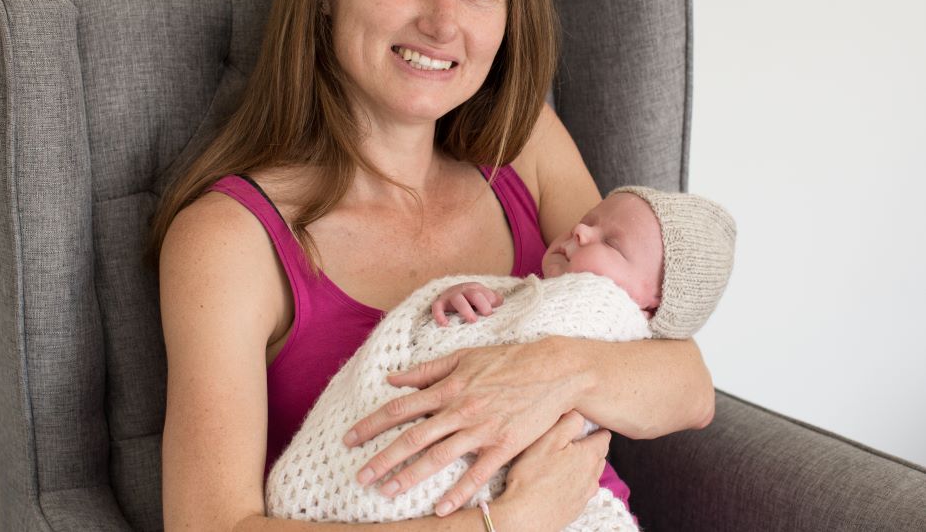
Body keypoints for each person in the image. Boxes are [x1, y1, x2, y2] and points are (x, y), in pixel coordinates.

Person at [153, 0, 716, 531]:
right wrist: (509, 522)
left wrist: (553, 371)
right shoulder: (230, 240)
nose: (443, 23)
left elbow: (688, 387)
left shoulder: (524, 148)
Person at [264, 187, 736, 528]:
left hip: (554, 488)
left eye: (610, 242)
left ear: (650, 307)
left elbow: (696, 393)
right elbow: (489, 336)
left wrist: (555, 367)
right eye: (589, 218)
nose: (581, 228)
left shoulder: (605, 309)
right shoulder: (537, 291)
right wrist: (461, 304)